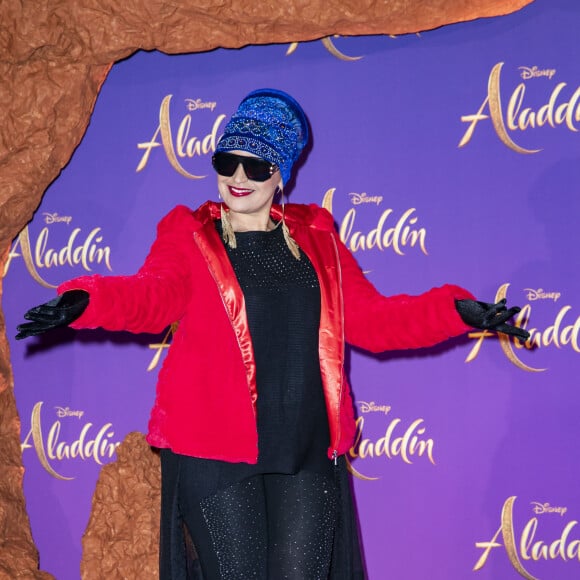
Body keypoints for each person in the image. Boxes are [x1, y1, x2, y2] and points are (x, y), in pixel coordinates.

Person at [16, 89, 529, 579]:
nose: (238, 177)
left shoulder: (318, 238)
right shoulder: (188, 236)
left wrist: (456, 311)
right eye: (226, 161)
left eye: (256, 165)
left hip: (304, 450)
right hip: (213, 453)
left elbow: (374, 321)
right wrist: (87, 299)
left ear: (280, 171)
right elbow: (152, 296)